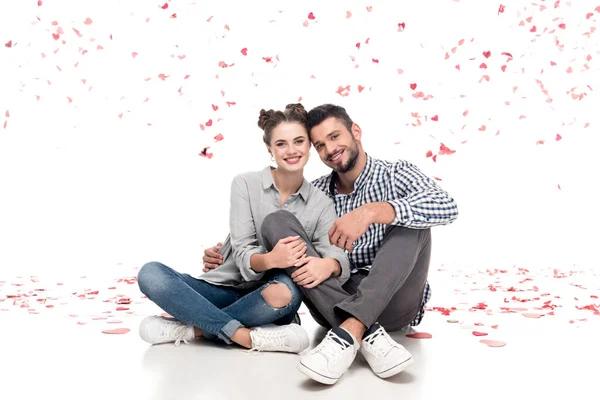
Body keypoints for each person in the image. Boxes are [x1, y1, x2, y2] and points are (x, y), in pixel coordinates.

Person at [203, 104, 459, 384]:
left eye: (335, 137)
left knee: (411, 224)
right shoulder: (319, 193)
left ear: (356, 132)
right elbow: (270, 231)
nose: (330, 149)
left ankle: (350, 331)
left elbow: (446, 206)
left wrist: (371, 212)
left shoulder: (395, 173)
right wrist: (226, 254)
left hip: (395, 300)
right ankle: (364, 334)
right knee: (278, 220)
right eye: (321, 145)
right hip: (334, 299)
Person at [137, 103, 350, 354]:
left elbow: (336, 257)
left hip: (273, 296)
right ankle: (245, 335)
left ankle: (194, 327)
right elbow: (241, 250)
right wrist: (271, 259)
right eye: (281, 144)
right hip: (221, 288)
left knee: (286, 291)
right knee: (150, 274)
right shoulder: (245, 184)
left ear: (309, 146)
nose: (291, 150)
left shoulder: (320, 202)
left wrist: (329, 264)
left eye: (299, 141)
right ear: (270, 149)